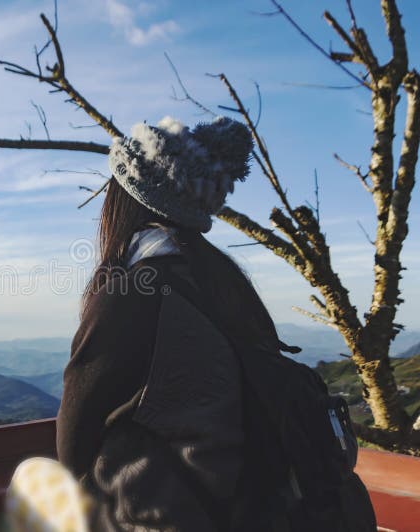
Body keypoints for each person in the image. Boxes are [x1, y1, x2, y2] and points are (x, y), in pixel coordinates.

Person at [55, 115, 279, 531]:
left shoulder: (133, 288)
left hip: (169, 515)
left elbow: (74, 440)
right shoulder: (227, 282)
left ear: (126, 201)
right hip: (250, 504)